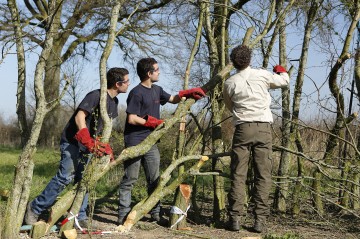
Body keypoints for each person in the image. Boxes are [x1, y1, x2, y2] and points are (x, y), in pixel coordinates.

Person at [24, 67, 130, 228]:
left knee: (85, 179)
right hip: (73, 141)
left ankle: (79, 216)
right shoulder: (96, 95)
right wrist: (85, 137)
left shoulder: (114, 102)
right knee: (65, 177)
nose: (128, 84)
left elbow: (102, 128)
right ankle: (34, 208)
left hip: (89, 145)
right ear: (117, 84)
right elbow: (80, 116)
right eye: (127, 81)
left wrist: (104, 147)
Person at [117, 57, 206, 225]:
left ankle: (155, 214)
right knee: (130, 179)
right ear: (149, 73)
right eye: (157, 70)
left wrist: (186, 94)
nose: (159, 72)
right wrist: (152, 122)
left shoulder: (157, 90)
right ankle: (123, 214)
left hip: (152, 142)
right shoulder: (136, 92)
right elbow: (132, 118)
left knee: (155, 180)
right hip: (135, 141)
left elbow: (172, 99)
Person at [223, 45, 289, 233]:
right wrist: (280, 70)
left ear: (233, 61)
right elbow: (284, 81)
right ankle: (259, 221)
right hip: (263, 129)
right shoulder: (263, 75)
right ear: (250, 59)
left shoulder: (229, 82)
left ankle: (234, 219)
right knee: (263, 175)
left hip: (242, 128)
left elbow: (230, 105)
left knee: (238, 174)